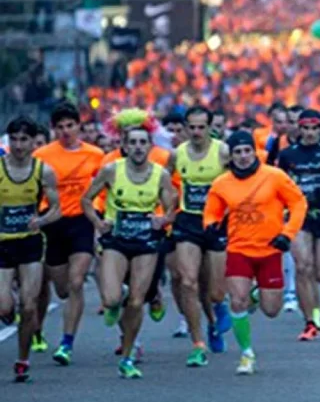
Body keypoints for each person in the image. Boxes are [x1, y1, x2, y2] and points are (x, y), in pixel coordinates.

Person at [81, 113, 178, 379]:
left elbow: (172, 207)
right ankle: (117, 300)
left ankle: (127, 357)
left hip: (146, 242)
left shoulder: (160, 175)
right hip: (116, 241)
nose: (137, 147)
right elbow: (87, 199)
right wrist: (98, 222)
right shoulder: (112, 170)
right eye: (132, 142)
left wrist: (163, 220)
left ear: (150, 146)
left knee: (137, 301)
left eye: (142, 142)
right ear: (124, 145)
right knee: (111, 299)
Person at [202, 130, 308, 375]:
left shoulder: (274, 176)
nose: (243, 156)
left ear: (254, 152)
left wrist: (288, 234)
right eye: (237, 152)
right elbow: (212, 211)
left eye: (247, 151)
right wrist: (210, 225)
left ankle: (257, 292)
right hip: (238, 249)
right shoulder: (222, 183)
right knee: (237, 300)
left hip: (270, 249)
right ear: (231, 156)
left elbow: (298, 203)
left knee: (271, 310)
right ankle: (246, 354)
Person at [33, 101, 105, 364]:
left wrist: (98, 213)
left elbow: (104, 186)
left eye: (70, 125)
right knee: (63, 289)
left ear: (79, 126)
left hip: (81, 222)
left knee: (76, 282)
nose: (65, 131)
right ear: (54, 129)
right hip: (53, 222)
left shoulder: (95, 154)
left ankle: (66, 343)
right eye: (60, 127)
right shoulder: (42, 155)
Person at [276, 109, 320, 340]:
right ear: (299, 128)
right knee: (303, 266)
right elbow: (279, 183)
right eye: (305, 128)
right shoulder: (288, 154)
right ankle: (310, 319)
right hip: (299, 215)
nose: (309, 133)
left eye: (314, 128)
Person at [0, 117, 61, 383]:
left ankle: (22, 360)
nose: (18, 145)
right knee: (4, 306)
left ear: (33, 142)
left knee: (28, 306)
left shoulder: (43, 171)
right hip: (3, 243)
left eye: (24, 140)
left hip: (30, 243)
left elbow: (56, 209)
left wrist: (42, 220)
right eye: (14, 139)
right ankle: (7, 308)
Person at [171, 106, 231, 366]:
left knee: (215, 291)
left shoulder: (223, 152)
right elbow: (164, 183)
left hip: (217, 223)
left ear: (209, 128)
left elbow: (237, 182)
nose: (196, 132)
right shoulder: (177, 154)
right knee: (188, 282)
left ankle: (216, 317)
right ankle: (197, 344)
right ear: (186, 128)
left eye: (201, 127)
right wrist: (165, 212)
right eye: (192, 127)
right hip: (188, 221)